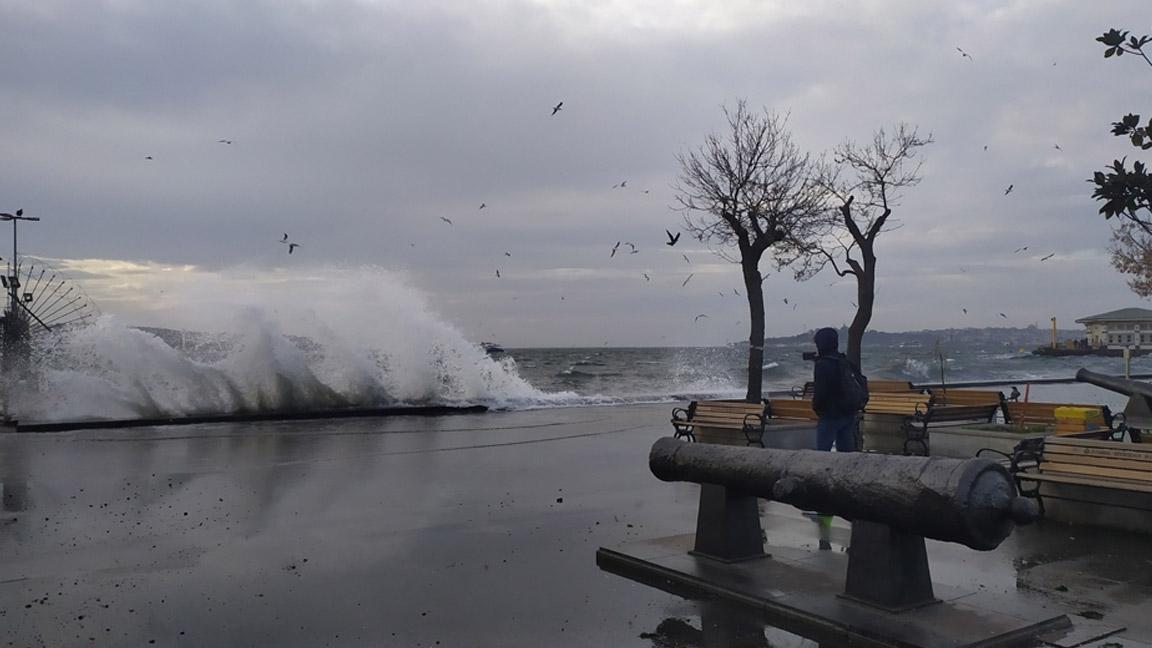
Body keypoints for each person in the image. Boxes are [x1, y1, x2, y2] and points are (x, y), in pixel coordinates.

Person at [811, 327, 860, 453]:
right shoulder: (843, 360)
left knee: (823, 453)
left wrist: (817, 408)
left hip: (829, 414)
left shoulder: (822, 364)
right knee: (846, 452)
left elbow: (820, 392)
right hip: (848, 411)